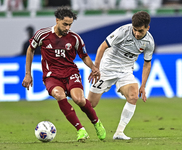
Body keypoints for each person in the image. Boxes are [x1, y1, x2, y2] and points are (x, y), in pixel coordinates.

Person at [22, 6, 106, 142]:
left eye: (70, 25)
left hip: (70, 72)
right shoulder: (42, 34)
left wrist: (93, 67)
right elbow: (30, 50)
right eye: (65, 24)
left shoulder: (75, 38)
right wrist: (28, 74)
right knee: (58, 95)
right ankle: (81, 130)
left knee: (79, 99)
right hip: (52, 75)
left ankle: (96, 123)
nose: (67, 27)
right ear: (57, 20)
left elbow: (84, 56)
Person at [88, 11, 155, 140]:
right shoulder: (122, 31)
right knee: (90, 104)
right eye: (135, 30)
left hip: (125, 71)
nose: (136, 33)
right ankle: (82, 126)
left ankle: (119, 132)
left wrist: (143, 85)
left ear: (148, 28)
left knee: (133, 96)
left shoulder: (149, 42)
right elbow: (102, 47)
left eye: (140, 31)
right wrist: (96, 68)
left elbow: (147, 64)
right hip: (106, 69)